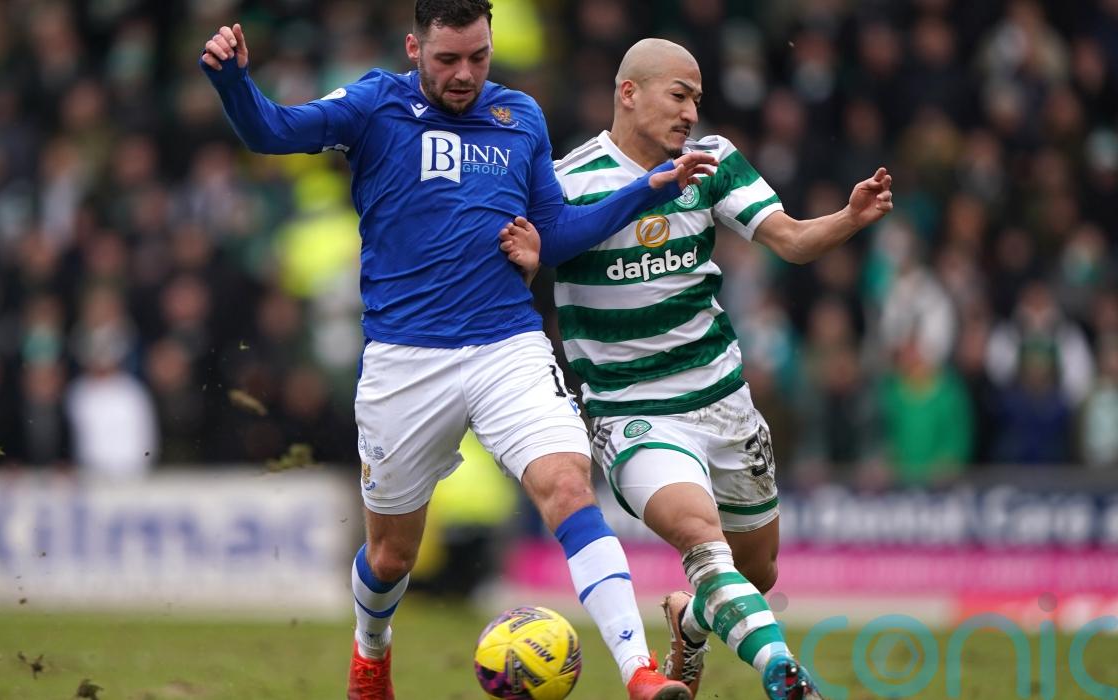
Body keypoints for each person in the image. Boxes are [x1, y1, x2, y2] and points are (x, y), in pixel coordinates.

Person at [199, 4, 716, 699]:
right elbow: (271, 131)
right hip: (405, 361)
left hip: (508, 345)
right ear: (415, 48)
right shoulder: (374, 105)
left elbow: (554, 235)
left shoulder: (520, 117)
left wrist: (642, 193)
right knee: (391, 555)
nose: (465, 74)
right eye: (447, 59)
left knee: (568, 488)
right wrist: (233, 81)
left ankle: (640, 673)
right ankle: (371, 652)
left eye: (478, 56)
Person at [500, 38, 894, 700]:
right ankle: (783, 672)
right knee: (701, 539)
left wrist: (849, 218)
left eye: (697, 100)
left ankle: (690, 622)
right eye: (679, 95)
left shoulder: (711, 162)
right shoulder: (566, 182)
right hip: (634, 413)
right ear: (629, 93)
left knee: (755, 574)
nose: (690, 112)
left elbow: (792, 240)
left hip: (723, 400)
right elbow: (527, 259)